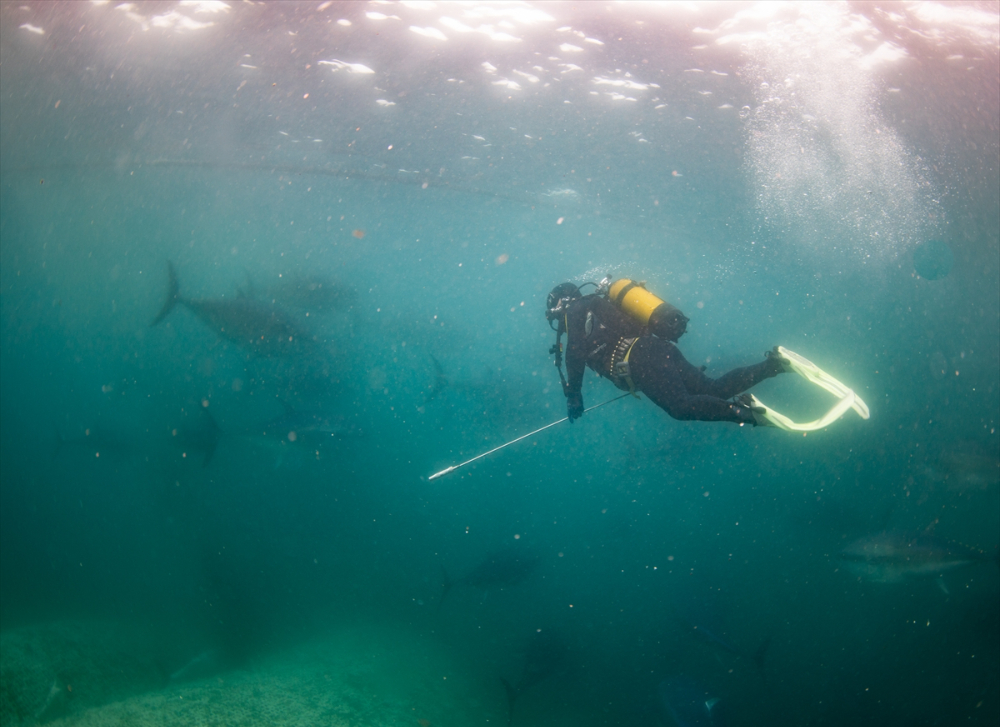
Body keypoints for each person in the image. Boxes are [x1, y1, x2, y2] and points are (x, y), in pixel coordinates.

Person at [545, 280, 788, 426]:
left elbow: (574, 352)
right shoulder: (597, 306)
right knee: (713, 389)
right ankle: (773, 365)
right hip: (656, 351)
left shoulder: (577, 308)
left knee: (680, 407)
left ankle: (748, 414)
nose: (558, 322)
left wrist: (573, 394)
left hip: (639, 359)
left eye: (555, 314)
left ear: (561, 304)